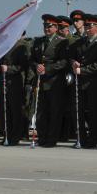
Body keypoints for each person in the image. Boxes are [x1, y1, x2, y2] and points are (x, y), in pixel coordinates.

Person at [69, 14, 97, 148]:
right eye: (86, 25)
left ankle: (93, 140)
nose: (87, 28)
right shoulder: (79, 42)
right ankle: (81, 138)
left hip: (94, 83)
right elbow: (72, 57)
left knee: (94, 112)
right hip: (79, 83)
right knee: (78, 111)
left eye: (90, 26)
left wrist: (83, 70)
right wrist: (74, 63)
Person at [29, 14, 69, 147]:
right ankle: (42, 137)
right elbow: (32, 60)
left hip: (54, 82)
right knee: (40, 112)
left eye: (49, 26)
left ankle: (51, 139)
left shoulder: (62, 41)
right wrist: (37, 66)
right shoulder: (38, 41)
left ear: (56, 27)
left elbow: (63, 62)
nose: (46, 28)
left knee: (54, 111)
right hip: (40, 81)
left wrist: (47, 69)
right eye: (45, 25)